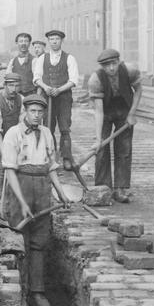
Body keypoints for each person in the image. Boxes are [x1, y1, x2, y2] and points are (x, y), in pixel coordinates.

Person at [2, 94, 69, 306]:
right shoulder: (13, 133)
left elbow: (51, 168)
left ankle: (37, 291)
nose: (36, 115)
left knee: (40, 241)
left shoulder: (48, 133)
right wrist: (21, 202)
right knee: (19, 240)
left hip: (42, 189)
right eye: (33, 111)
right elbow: (10, 172)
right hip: (20, 185)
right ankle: (19, 289)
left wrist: (61, 193)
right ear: (25, 111)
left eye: (40, 112)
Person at [88, 49, 142, 203]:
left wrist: (132, 113)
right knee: (102, 149)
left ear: (118, 61)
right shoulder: (95, 80)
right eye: (107, 65)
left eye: (114, 64)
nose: (111, 68)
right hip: (105, 110)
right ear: (102, 67)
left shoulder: (130, 70)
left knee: (124, 148)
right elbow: (98, 112)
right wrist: (98, 139)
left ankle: (120, 188)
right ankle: (103, 189)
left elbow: (138, 90)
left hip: (125, 108)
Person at [33, 30, 79, 170]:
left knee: (65, 128)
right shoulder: (42, 58)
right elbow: (36, 78)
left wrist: (59, 89)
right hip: (47, 97)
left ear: (61, 41)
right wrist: (46, 87)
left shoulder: (69, 58)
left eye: (57, 39)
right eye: (51, 39)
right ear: (48, 41)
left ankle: (66, 158)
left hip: (64, 98)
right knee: (48, 127)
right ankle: (50, 157)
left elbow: (73, 80)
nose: (54, 41)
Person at [0, 72, 23, 214]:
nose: (14, 89)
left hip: (14, 139)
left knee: (20, 166)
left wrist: (19, 150)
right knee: (1, 168)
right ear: (5, 86)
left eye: (17, 86)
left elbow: (21, 127)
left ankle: (15, 204)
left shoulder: (22, 100)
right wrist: (6, 155)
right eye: (11, 85)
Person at [6, 32, 35, 97]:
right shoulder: (13, 61)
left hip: (30, 95)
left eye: (26, 41)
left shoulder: (34, 60)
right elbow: (7, 79)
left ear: (29, 43)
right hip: (16, 96)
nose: (23, 43)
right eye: (21, 41)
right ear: (17, 43)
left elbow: (38, 80)